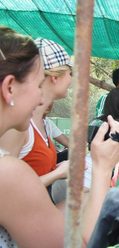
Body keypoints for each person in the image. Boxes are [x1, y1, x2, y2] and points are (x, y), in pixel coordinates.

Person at [0, 27, 119, 247]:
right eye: (37, 84)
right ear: (9, 88)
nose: (42, 101)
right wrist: (102, 167)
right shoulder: (8, 170)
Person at [0, 38, 73, 202]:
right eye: (70, 73)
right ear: (55, 76)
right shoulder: (20, 126)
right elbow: (6, 193)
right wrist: (57, 174)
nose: (71, 80)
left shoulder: (43, 123)